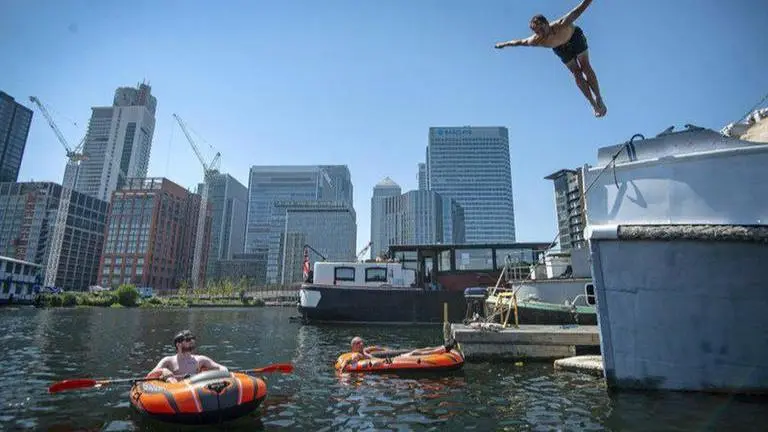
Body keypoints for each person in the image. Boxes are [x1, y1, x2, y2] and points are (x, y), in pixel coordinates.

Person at [494, 0, 606, 118]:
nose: (541, 34)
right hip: (560, 48)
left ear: (547, 23)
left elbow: (581, 8)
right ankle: (593, 104)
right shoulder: (536, 40)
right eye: (537, 32)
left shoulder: (562, 23)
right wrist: (503, 44)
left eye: (542, 29)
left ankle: (598, 97)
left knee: (585, 66)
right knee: (577, 74)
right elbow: (518, 42)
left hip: (574, 37)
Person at [146, 330, 228, 382]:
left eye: (192, 339)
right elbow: (149, 376)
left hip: (196, 390)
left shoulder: (201, 360)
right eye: (188, 340)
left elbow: (221, 367)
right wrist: (163, 371)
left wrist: (224, 371)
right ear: (178, 344)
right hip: (176, 393)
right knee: (170, 379)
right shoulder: (168, 361)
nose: (191, 342)